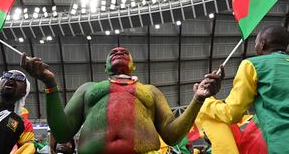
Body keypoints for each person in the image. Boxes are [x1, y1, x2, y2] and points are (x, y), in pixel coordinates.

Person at [21, 46, 223, 153]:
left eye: (125, 52)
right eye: (113, 53)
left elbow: (171, 135)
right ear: (105, 66)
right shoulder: (88, 88)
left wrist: (197, 100)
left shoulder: (151, 91)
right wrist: (49, 84)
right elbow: (62, 131)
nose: (119, 51)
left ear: (134, 66)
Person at [200, 25, 289, 153]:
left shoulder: (253, 65)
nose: (255, 47)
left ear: (262, 45)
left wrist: (206, 101)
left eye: (256, 43)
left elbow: (232, 113)